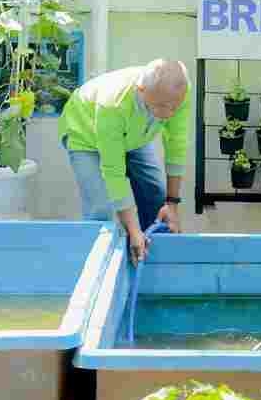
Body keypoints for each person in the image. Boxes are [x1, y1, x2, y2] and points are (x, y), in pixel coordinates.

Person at [57, 59, 191, 264]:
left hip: (133, 135)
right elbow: (113, 171)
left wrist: (172, 204)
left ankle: (152, 257)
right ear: (141, 90)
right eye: (160, 106)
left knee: (155, 193)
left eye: (174, 107)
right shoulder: (112, 103)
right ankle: (100, 268)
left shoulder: (179, 91)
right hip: (86, 135)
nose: (168, 114)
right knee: (101, 207)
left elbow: (177, 145)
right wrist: (133, 229)